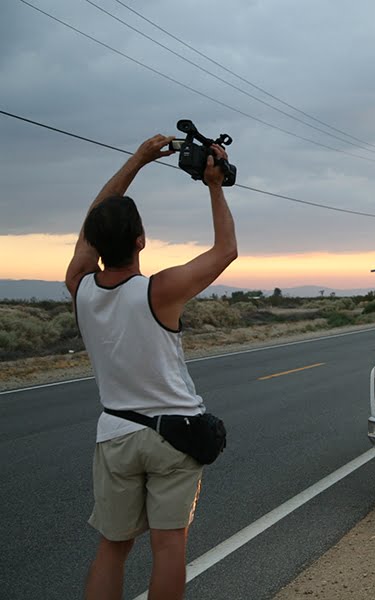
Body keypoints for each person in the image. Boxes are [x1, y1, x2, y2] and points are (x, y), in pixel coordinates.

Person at [65, 134, 238, 600]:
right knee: (168, 546)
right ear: (141, 240)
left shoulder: (79, 287)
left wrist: (136, 161)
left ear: (95, 243)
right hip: (173, 434)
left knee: (112, 547)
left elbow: (92, 223)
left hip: (116, 432)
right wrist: (214, 186)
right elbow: (225, 252)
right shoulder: (158, 291)